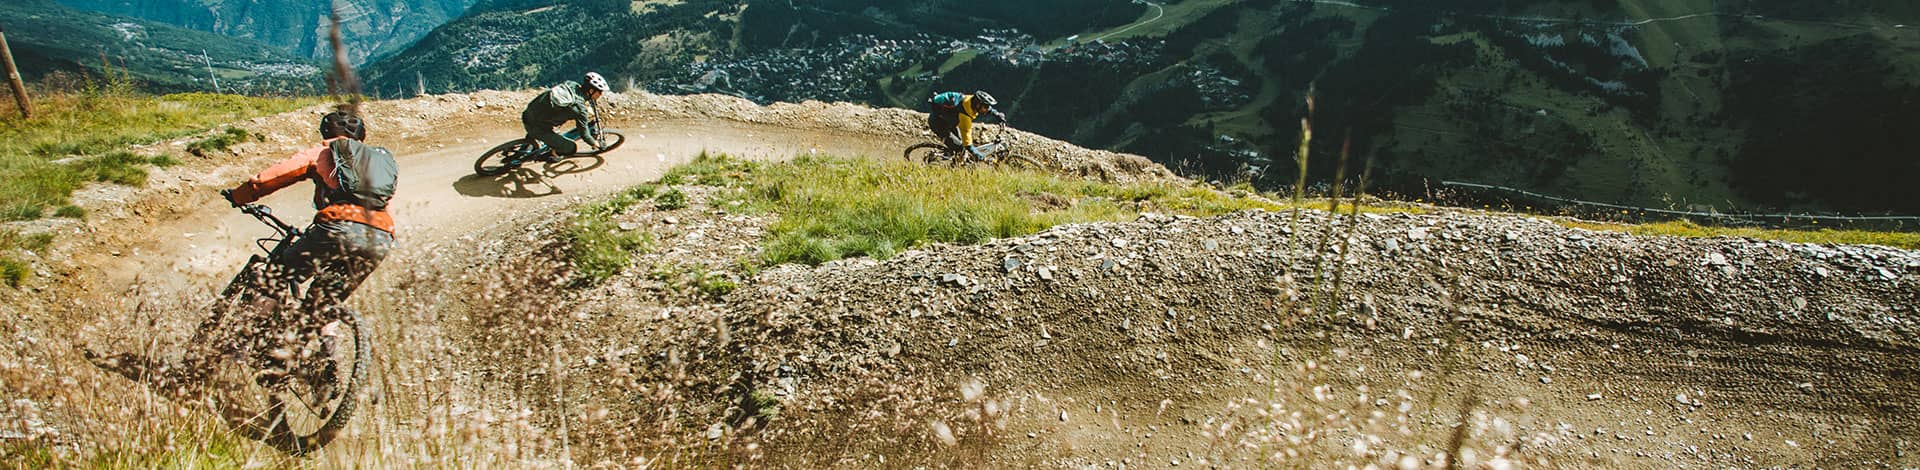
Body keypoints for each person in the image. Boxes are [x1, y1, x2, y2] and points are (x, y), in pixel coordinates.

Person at [222, 110, 395, 314]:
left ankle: (240, 341)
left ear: (325, 131)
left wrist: (238, 196)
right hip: (381, 238)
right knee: (322, 304)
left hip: (338, 228)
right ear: (361, 136)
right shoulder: (375, 164)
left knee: (273, 277)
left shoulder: (324, 152)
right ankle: (320, 340)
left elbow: (271, 178)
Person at [520, 72, 610, 162]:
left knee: (552, 122)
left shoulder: (571, 84)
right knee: (571, 148)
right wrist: (594, 143)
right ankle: (548, 155)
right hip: (536, 126)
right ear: (591, 91)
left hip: (529, 113)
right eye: (600, 92)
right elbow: (585, 134)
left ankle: (530, 141)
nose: (600, 94)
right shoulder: (580, 110)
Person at [926, 90, 1008, 159]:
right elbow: (968, 143)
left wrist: (997, 114)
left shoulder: (969, 100)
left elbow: (988, 109)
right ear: (978, 105)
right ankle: (936, 160)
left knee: (958, 144)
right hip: (938, 124)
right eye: (986, 106)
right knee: (960, 148)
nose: (987, 108)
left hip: (948, 122)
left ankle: (953, 157)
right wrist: (977, 154)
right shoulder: (965, 117)